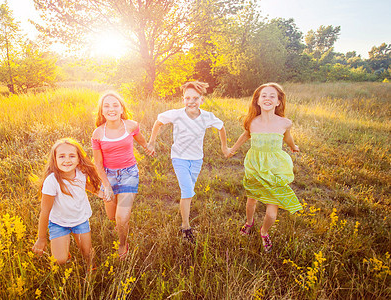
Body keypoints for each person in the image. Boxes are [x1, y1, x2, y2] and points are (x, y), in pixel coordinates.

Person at [147, 81, 229, 243]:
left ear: (202, 100)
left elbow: (221, 127)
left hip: (197, 159)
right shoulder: (177, 114)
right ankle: (186, 227)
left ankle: (183, 213)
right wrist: (151, 142)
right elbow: (158, 122)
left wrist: (224, 147)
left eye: (195, 98)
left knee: (188, 191)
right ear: (183, 100)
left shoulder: (206, 117)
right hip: (179, 158)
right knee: (187, 191)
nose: (191, 101)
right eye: (187, 98)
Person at [226, 82, 302, 252]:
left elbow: (287, 138)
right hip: (255, 166)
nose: (268, 98)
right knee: (251, 201)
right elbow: (245, 135)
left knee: (271, 213)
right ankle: (249, 222)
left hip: (275, 168)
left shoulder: (284, 123)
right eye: (264, 96)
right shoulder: (252, 122)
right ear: (258, 101)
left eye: (272, 96)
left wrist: (293, 146)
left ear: (278, 102)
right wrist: (232, 150)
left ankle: (264, 231)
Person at [92, 91, 153, 259]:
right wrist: (106, 186)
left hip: (129, 173)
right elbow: (97, 163)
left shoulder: (131, 126)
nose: (111, 109)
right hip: (108, 176)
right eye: (107, 106)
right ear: (102, 111)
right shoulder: (97, 134)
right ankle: (119, 223)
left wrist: (148, 147)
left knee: (122, 216)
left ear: (121, 109)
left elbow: (140, 140)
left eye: (115, 105)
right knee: (111, 216)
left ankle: (122, 243)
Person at [32, 138, 102, 270]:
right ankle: (65, 253)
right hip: (59, 223)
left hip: (80, 220)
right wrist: (41, 238)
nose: (67, 160)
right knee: (60, 260)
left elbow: (86, 185)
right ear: (55, 160)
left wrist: (100, 193)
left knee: (88, 254)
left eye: (72, 156)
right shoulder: (51, 181)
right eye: (62, 156)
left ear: (78, 159)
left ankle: (92, 272)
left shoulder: (80, 173)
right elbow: (45, 211)